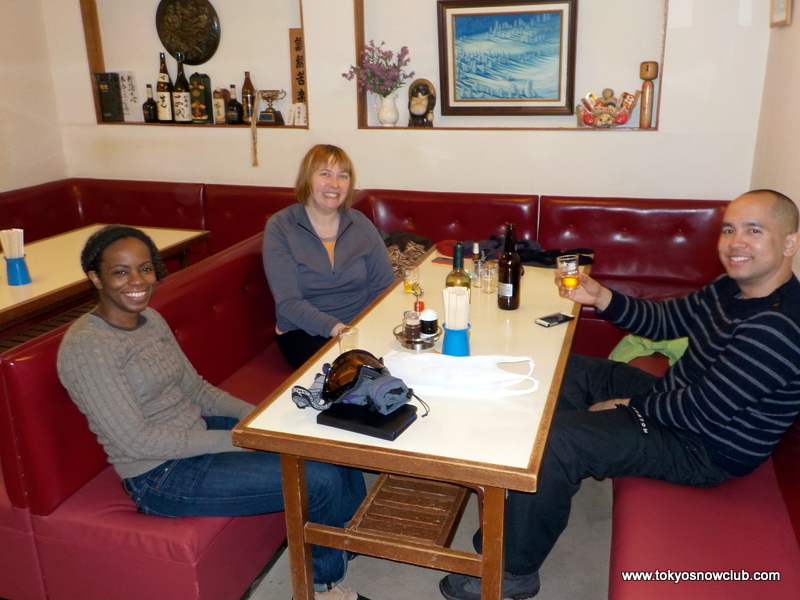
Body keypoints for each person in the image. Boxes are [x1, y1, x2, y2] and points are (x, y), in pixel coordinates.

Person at [439, 189, 800, 600]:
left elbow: (704, 411)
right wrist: (600, 296)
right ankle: (537, 488)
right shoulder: (730, 289)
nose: (735, 243)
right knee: (563, 371)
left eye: (754, 230)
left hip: (705, 446)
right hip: (678, 397)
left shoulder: (778, 327)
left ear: (789, 242)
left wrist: (630, 407)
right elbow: (666, 320)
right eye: (729, 230)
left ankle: (512, 572)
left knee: (556, 443)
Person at [57, 225, 372, 600]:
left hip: (195, 433)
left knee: (314, 437)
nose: (137, 281)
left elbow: (195, 389)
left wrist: (257, 418)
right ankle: (320, 587)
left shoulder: (151, 319)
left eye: (145, 268)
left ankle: (341, 535)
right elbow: (136, 439)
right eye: (120, 272)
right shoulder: (88, 347)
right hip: (159, 474)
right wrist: (237, 440)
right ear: (96, 278)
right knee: (317, 479)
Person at [263, 144, 396, 368]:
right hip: (302, 332)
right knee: (350, 380)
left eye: (342, 176)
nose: (334, 184)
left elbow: (384, 287)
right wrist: (342, 331)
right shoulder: (281, 227)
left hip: (358, 327)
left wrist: (378, 327)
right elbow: (289, 303)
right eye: (325, 174)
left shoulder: (359, 223)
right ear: (307, 178)